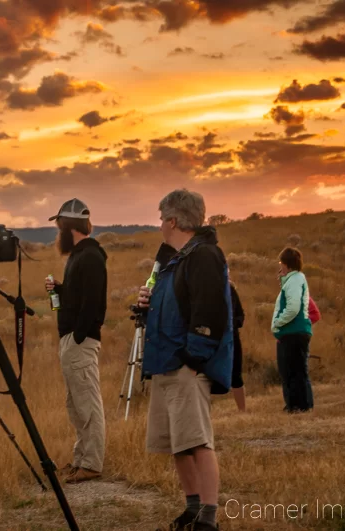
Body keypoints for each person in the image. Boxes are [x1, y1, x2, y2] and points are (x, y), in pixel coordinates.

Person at [137, 189, 233, 531]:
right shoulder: (172, 260)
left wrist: (194, 358)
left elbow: (214, 309)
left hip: (185, 365)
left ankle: (209, 515)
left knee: (197, 441)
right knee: (177, 444)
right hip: (165, 362)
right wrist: (148, 306)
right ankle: (191, 507)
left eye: (162, 218)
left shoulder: (204, 255)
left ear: (174, 220)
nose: (160, 225)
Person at [44, 198, 107, 484]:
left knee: (87, 403)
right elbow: (76, 297)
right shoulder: (79, 256)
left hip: (79, 341)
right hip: (71, 340)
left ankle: (92, 463)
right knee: (76, 404)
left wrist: (79, 335)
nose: (57, 231)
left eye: (59, 225)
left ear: (68, 226)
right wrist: (58, 289)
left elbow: (94, 304)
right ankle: (81, 460)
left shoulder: (91, 257)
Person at [273, 247, 314, 413]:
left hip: (293, 331)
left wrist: (278, 323)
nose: (280, 267)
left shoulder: (295, 280)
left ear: (287, 265)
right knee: (292, 369)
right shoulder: (294, 279)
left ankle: (299, 405)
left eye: (281, 263)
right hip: (294, 331)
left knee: (293, 369)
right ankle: (296, 404)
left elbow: (293, 307)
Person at [230, 281, 246, 412]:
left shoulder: (230, 289)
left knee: (236, 375)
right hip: (212, 338)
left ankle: (242, 410)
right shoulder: (205, 288)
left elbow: (241, 315)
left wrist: (233, 324)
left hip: (232, 337)